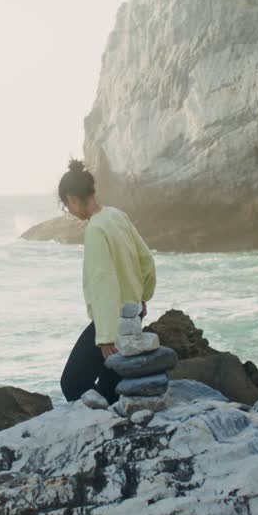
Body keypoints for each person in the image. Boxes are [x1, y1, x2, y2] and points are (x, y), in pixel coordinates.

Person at [57, 159, 156, 403]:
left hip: (113, 322)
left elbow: (103, 282)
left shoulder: (95, 229)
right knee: (112, 384)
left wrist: (105, 337)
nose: (68, 211)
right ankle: (117, 424)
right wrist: (142, 295)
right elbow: (146, 259)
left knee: (72, 382)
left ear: (72, 199)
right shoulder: (117, 216)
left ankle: (103, 432)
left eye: (65, 205)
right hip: (133, 314)